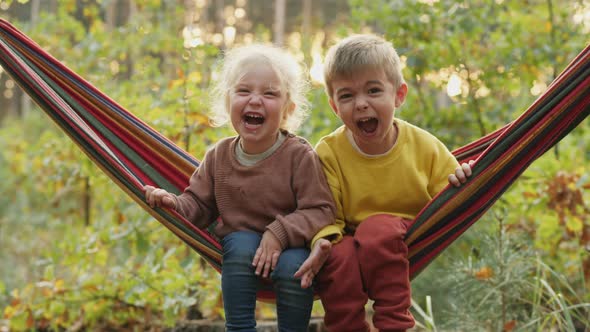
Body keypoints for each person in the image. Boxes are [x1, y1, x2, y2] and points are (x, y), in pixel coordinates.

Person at [143, 43, 335, 332]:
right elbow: (198, 205)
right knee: (241, 242)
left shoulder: (299, 155)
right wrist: (173, 202)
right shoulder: (219, 156)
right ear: (227, 102)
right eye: (244, 91)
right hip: (241, 257)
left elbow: (321, 210)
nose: (255, 100)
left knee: (294, 266)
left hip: (291, 250)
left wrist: (279, 234)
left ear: (287, 110)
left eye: (269, 93)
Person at [295, 34, 475, 332]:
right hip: (349, 235)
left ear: (399, 95)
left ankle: (394, 324)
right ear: (334, 107)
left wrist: (462, 176)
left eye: (374, 90)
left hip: (407, 230)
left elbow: (451, 188)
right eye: (347, 96)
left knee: (376, 228)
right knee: (335, 254)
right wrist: (324, 239)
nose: (361, 104)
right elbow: (324, 210)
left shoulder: (423, 146)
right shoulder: (328, 152)